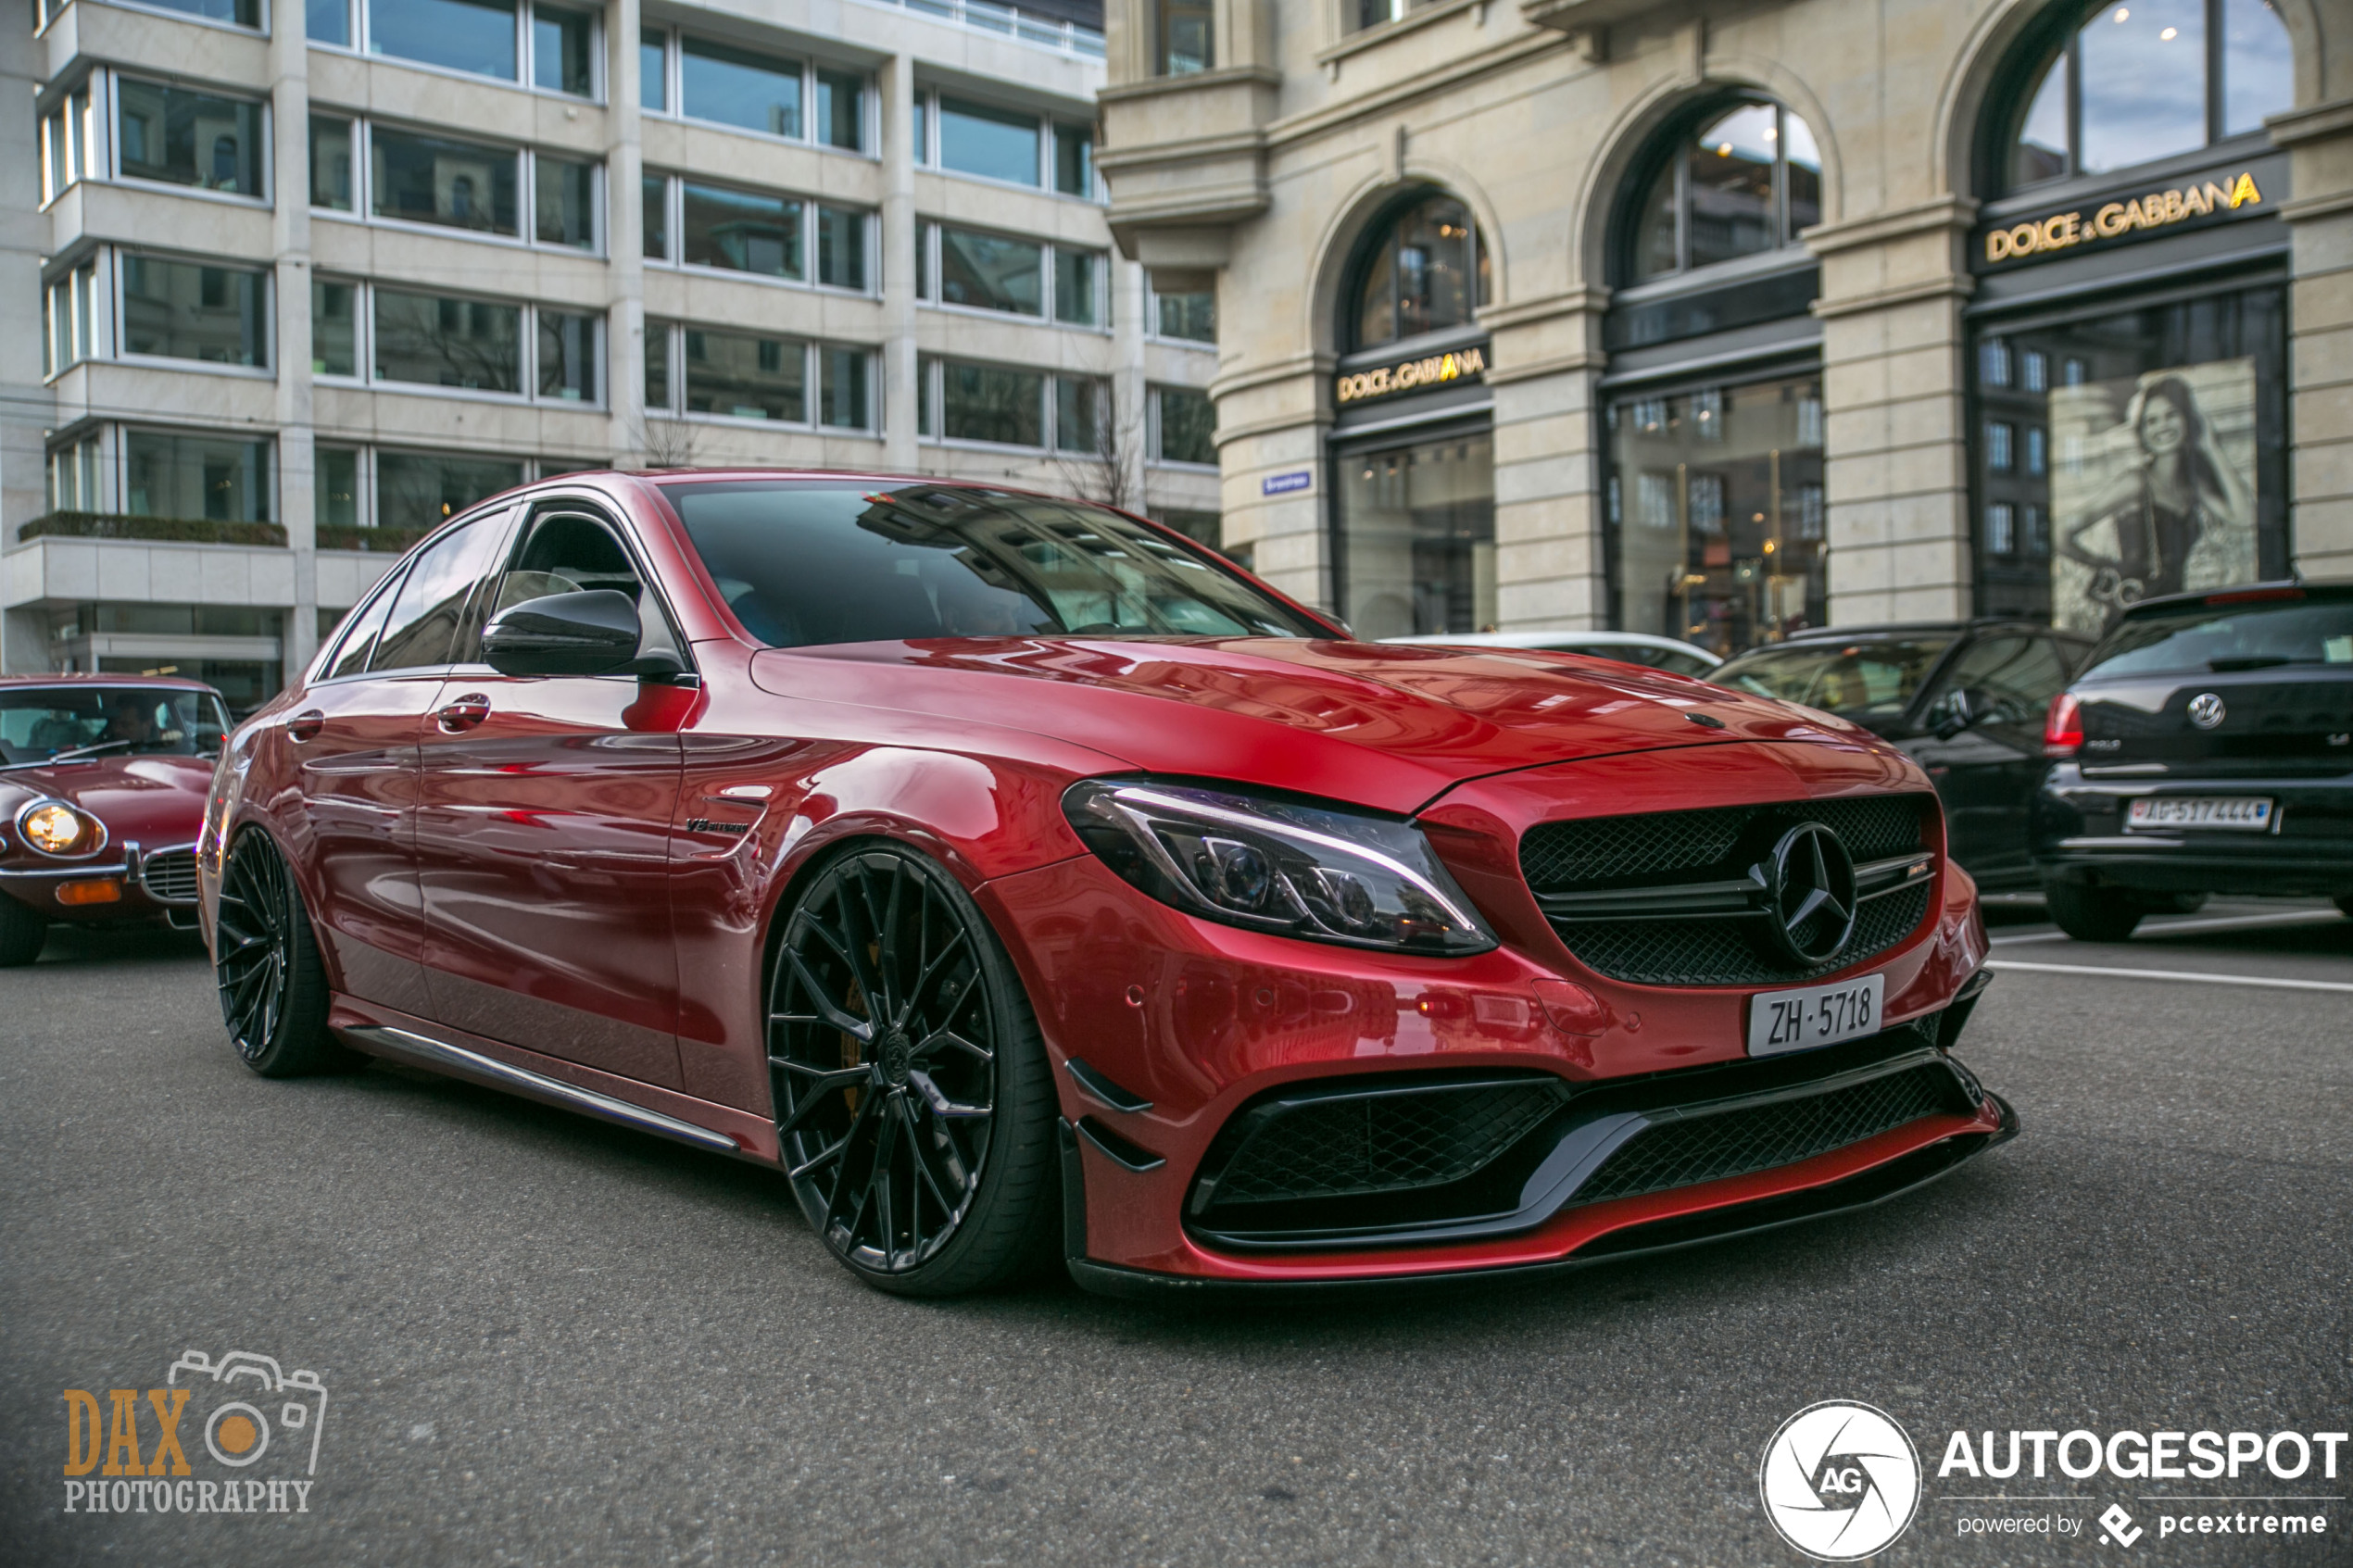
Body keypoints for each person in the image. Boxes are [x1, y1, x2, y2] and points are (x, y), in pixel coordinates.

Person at [2058, 374, 2256, 626]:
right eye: (2151, 421)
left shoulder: (2192, 483)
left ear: (2187, 419)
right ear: (2142, 430)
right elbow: (2061, 531)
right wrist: (2104, 564)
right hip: (2135, 617)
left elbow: (2244, 517)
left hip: (2173, 615)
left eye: (2171, 415)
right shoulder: (2136, 482)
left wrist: (2211, 447)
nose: (2162, 427)